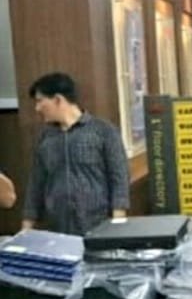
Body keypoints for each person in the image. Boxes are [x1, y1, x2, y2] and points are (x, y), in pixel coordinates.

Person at [22, 72, 129, 235]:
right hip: (57, 227)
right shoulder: (46, 137)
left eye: (40, 101)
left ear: (57, 99)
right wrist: (26, 229)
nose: (37, 108)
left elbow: (119, 178)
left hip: (99, 225)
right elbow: (36, 183)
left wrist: (117, 226)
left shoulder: (104, 131)